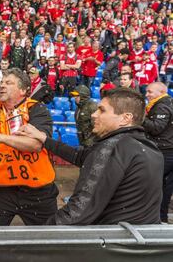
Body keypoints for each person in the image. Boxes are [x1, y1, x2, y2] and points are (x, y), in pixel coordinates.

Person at [17, 88, 163, 225]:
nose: (94, 114)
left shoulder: (112, 148)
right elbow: (80, 156)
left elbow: (77, 213)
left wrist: (40, 234)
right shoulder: (147, 147)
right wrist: (44, 139)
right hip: (141, 241)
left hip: (114, 243)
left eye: (102, 110)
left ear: (125, 119)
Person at [0, 68, 58, 226]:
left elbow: (36, 145)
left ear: (23, 90)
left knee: (47, 242)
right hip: (3, 190)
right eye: (1, 82)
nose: (2, 85)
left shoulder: (36, 109)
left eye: (8, 83)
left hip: (38, 191)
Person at [143, 82, 173, 223]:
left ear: (161, 92)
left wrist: (140, 118)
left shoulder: (162, 105)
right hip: (167, 151)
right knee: (165, 187)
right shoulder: (167, 102)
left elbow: (156, 128)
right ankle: (161, 218)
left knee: (155, 185)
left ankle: (156, 218)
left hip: (164, 152)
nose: (147, 94)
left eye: (150, 92)